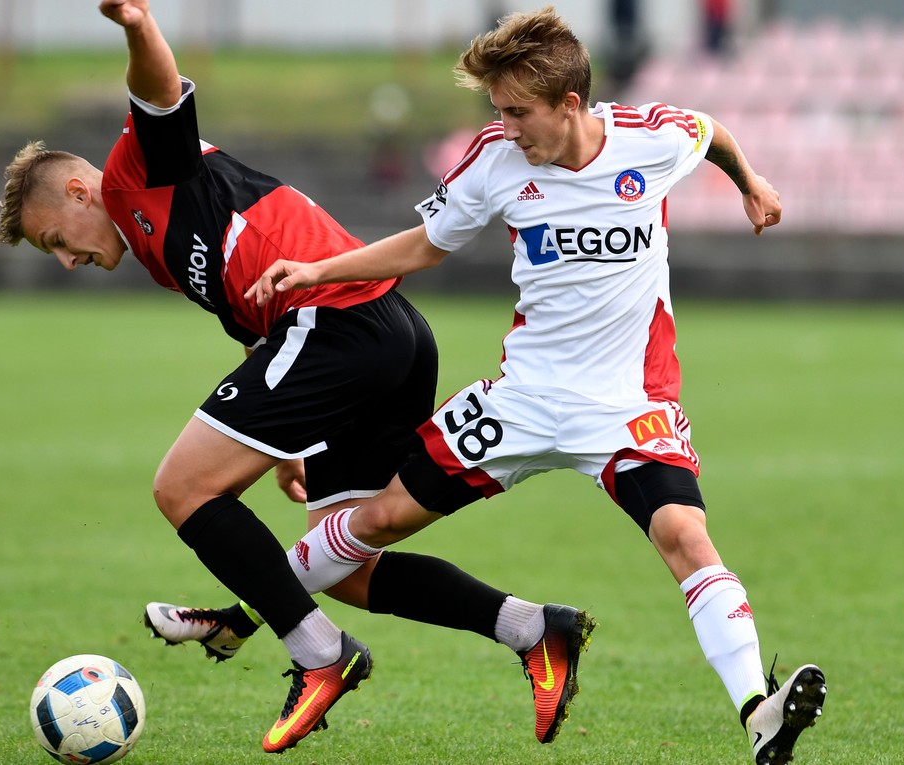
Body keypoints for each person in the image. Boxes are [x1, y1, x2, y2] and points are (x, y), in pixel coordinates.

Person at [0, 0, 592, 752]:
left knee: (181, 488)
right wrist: (286, 447)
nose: (68, 260)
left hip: (338, 323)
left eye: (55, 240)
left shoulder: (137, 173)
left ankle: (319, 654)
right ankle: (533, 628)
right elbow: (253, 328)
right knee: (348, 565)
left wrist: (136, 22)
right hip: (381, 334)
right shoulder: (157, 249)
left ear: (79, 193)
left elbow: (158, 90)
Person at [246, 7, 828, 765]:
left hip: (628, 406)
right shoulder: (495, 161)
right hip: (520, 401)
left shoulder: (650, 138)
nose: (507, 127)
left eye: (519, 112)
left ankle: (758, 710)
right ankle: (249, 605)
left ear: (570, 104)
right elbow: (424, 245)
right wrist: (318, 271)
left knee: (686, 537)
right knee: (379, 519)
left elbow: (710, 131)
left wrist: (751, 183)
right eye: (498, 110)